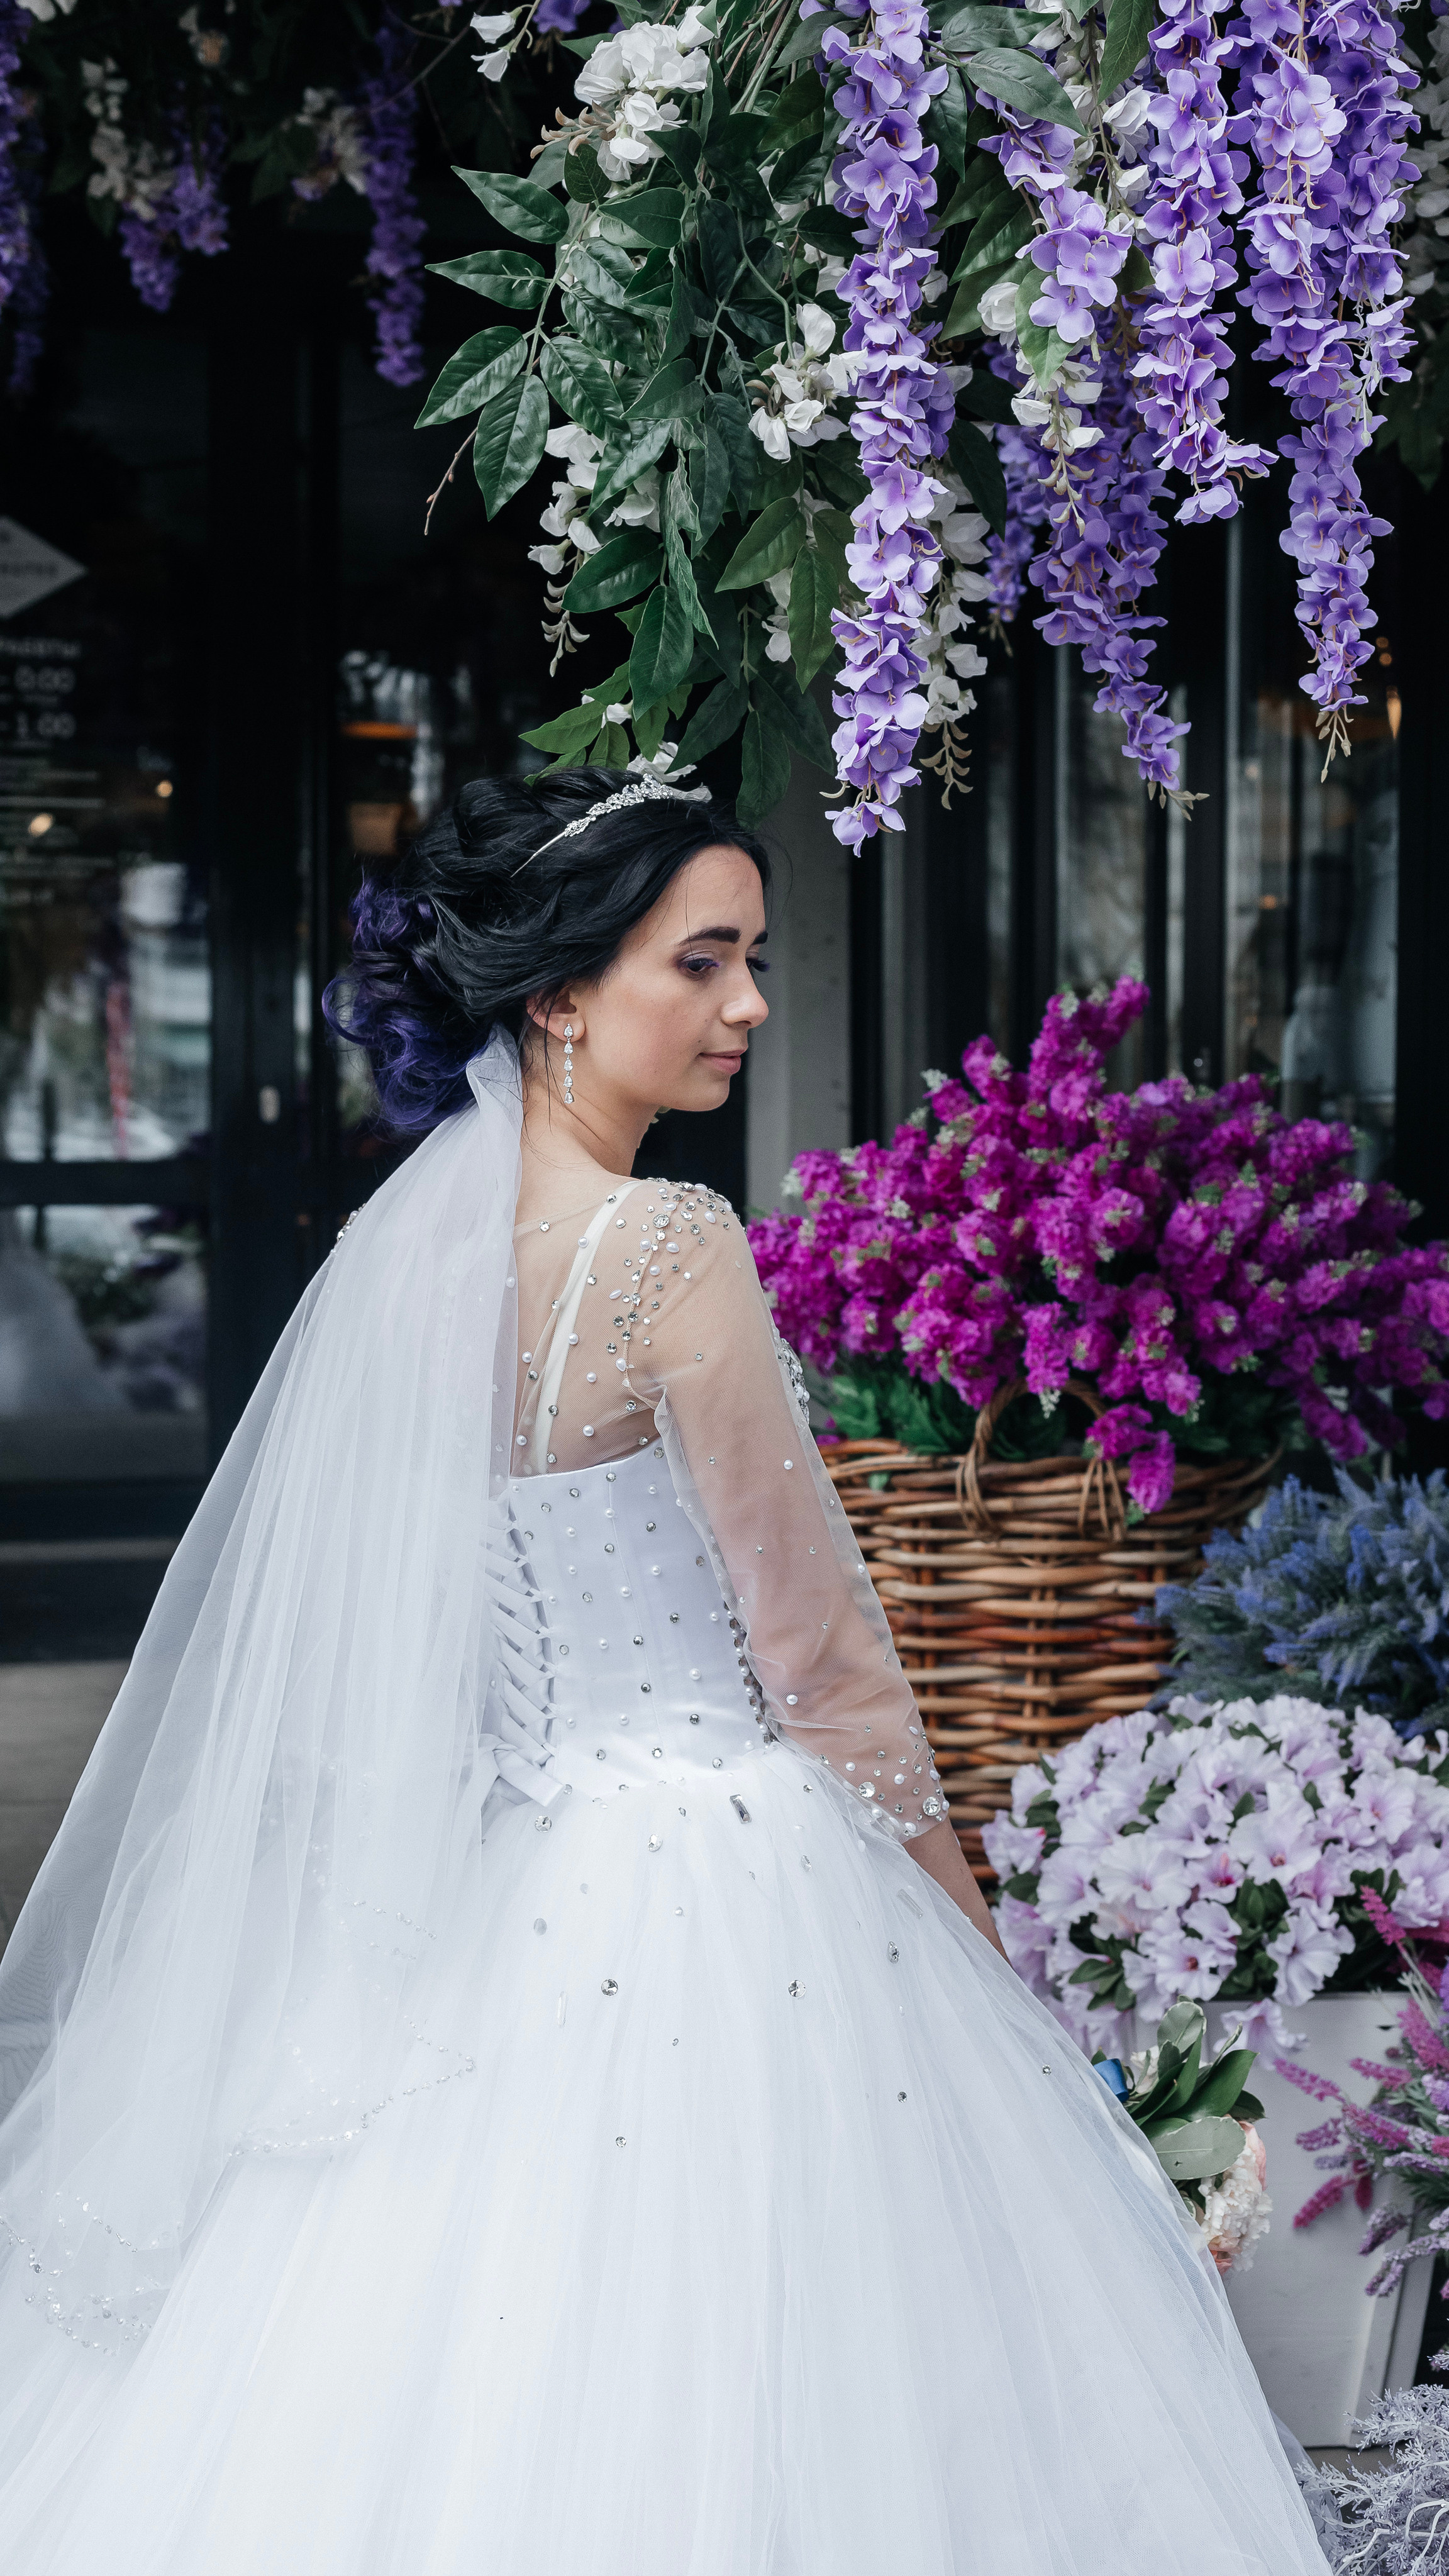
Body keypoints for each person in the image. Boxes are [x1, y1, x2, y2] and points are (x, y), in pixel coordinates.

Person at [0, 770, 1328, 2574]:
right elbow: (825, 1665)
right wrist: (975, 1948)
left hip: (503, 1869)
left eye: (756, 961)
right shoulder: (667, 1247)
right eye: (702, 964)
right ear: (558, 992)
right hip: (722, 1875)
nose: (750, 1009)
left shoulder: (405, 1259)